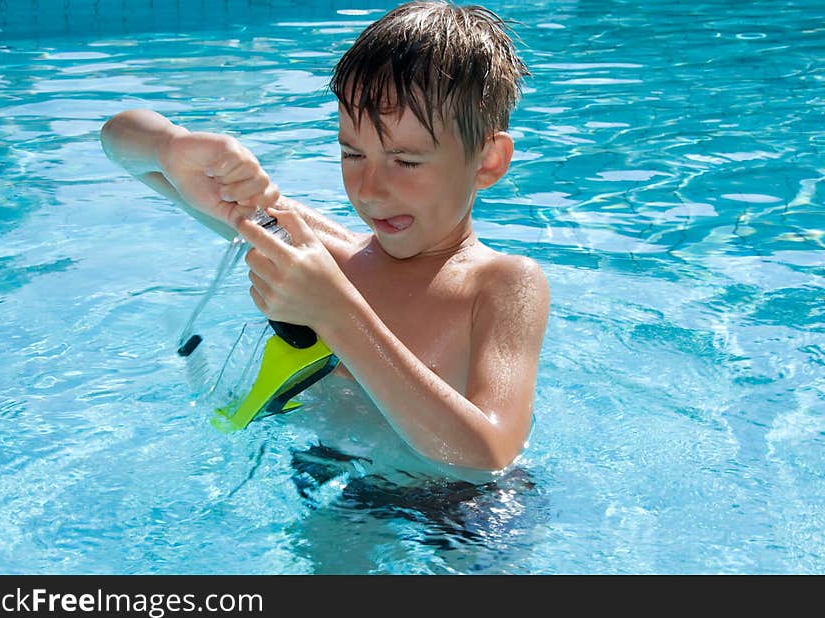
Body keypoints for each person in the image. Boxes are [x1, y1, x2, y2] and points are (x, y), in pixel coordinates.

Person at [100, 0, 550, 476]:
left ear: (487, 162)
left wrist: (335, 312)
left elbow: (489, 456)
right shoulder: (317, 254)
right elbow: (118, 143)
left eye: (407, 161)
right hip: (338, 486)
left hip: (464, 512)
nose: (371, 189)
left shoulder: (501, 285)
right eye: (352, 153)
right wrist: (171, 148)